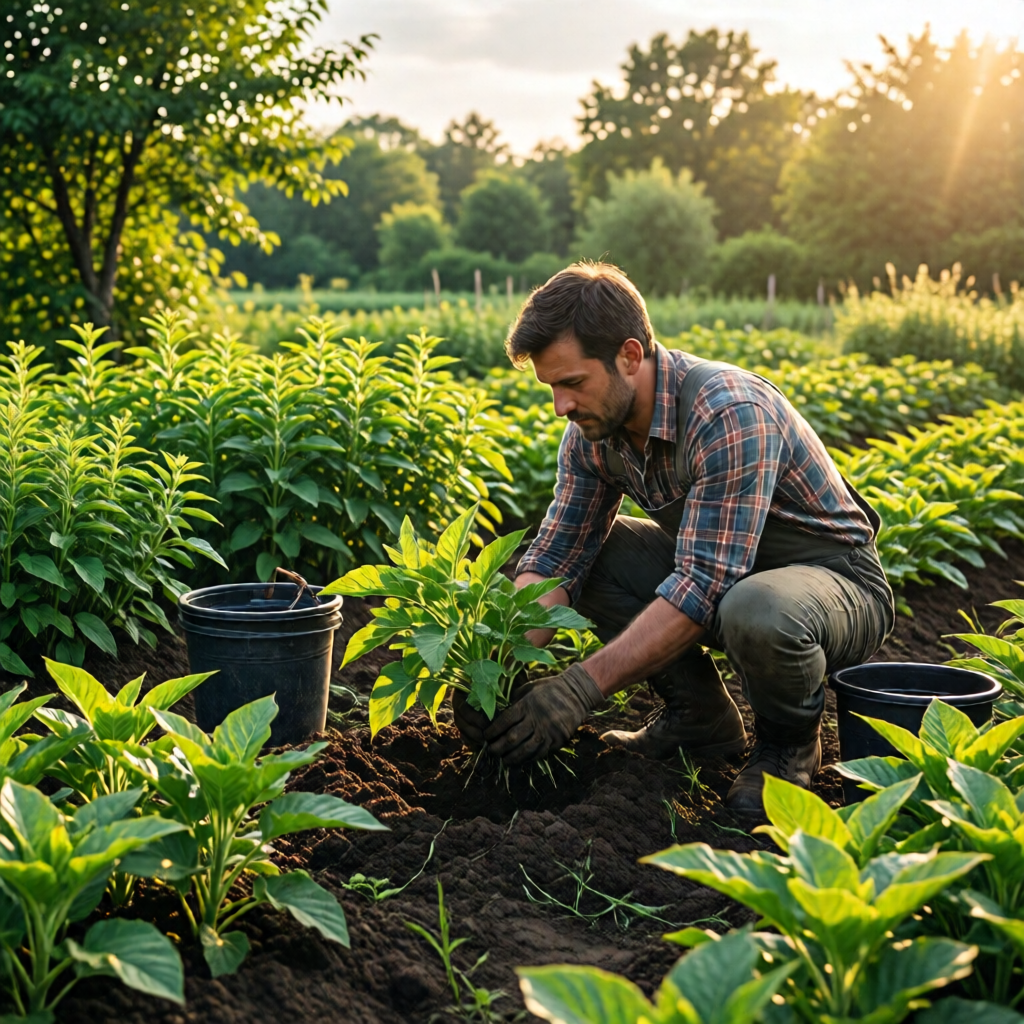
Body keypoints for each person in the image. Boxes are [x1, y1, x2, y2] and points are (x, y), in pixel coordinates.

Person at [453, 262, 894, 819]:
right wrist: (495, 667)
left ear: (630, 356)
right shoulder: (592, 433)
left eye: (572, 383)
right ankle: (700, 718)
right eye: (551, 387)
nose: (560, 406)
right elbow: (558, 558)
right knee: (595, 558)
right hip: (728, 578)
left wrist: (577, 690)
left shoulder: (728, 412)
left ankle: (788, 746)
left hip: (834, 583)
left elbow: (704, 587)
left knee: (755, 608)